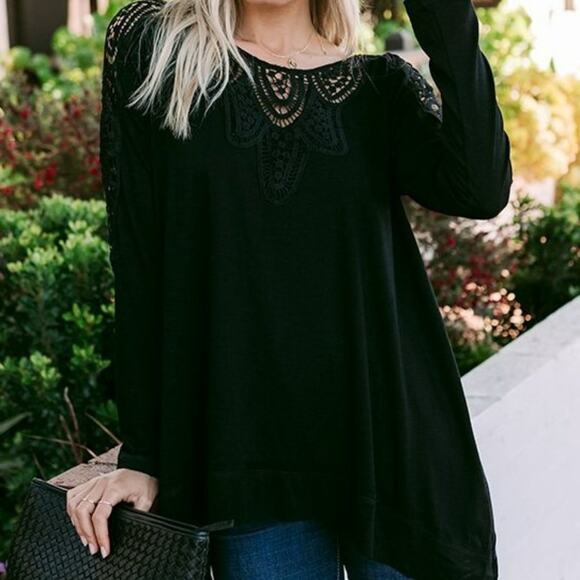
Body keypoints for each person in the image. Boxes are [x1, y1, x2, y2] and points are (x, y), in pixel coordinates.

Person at [65, 0, 512, 578]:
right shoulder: (157, 54)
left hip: (390, 453)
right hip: (247, 463)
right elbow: (138, 258)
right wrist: (144, 454)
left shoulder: (379, 89)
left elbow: (480, 189)